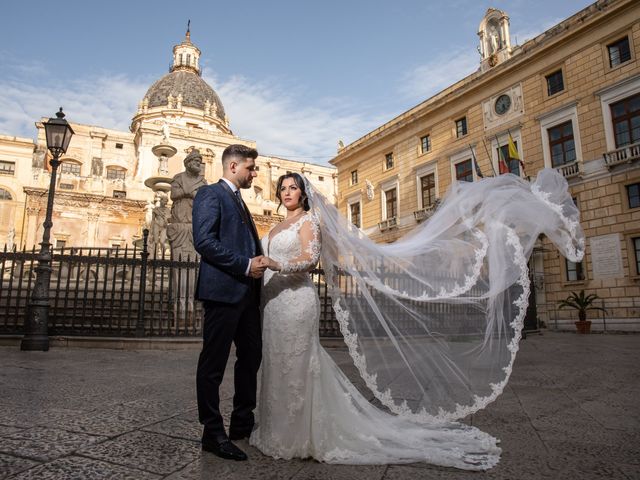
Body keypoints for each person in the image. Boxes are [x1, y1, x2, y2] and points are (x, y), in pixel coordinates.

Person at [249, 170, 585, 469]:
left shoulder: (309, 222)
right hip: (273, 303)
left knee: (298, 365)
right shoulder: (278, 225)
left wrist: (276, 265)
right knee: (277, 364)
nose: (287, 192)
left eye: (293, 187)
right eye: (283, 188)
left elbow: (309, 259)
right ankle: (277, 430)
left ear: (303, 193)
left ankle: (302, 434)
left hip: (296, 300)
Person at [192, 144, 267, 462]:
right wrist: (246, 265)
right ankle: (212, 432)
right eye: (251, 168)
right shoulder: (210, 194)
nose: (254, 174)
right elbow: (204, 241)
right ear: (233, 166)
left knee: (251, 357)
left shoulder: (238, 200)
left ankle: (242, 423)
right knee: (213, 364)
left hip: (247, 296)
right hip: (223, 293)